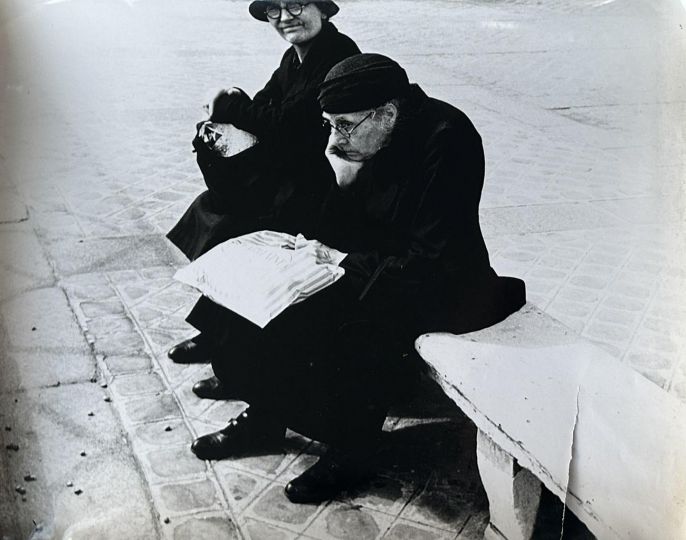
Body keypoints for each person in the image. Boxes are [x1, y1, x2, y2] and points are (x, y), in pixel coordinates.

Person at [187, 53, 527, 503]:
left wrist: (342, 258)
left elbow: (430, 256)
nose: (335, 137)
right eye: (330, 124)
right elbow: (332, 217)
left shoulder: (449, 138)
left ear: (388, 113)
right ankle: (266, 417)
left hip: (441, 279)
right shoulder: (365, 133)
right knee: (266, 290)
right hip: (377, 261)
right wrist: (337, 190)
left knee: (349, 322)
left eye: (344, 125)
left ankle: (355, 449)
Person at [164, 1, 360, 382]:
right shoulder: (294, 58)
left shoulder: (339, 57)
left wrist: (232, 102)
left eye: (298, 4)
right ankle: (220, 329)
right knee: (213, 207)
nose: (286, 17)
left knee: (237, 225)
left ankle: (233, 345)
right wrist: (242, 105)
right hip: (296, 177)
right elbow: (265, 107)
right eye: (275, 9)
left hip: (330, 191)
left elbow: (289, 124)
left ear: (323, 8)